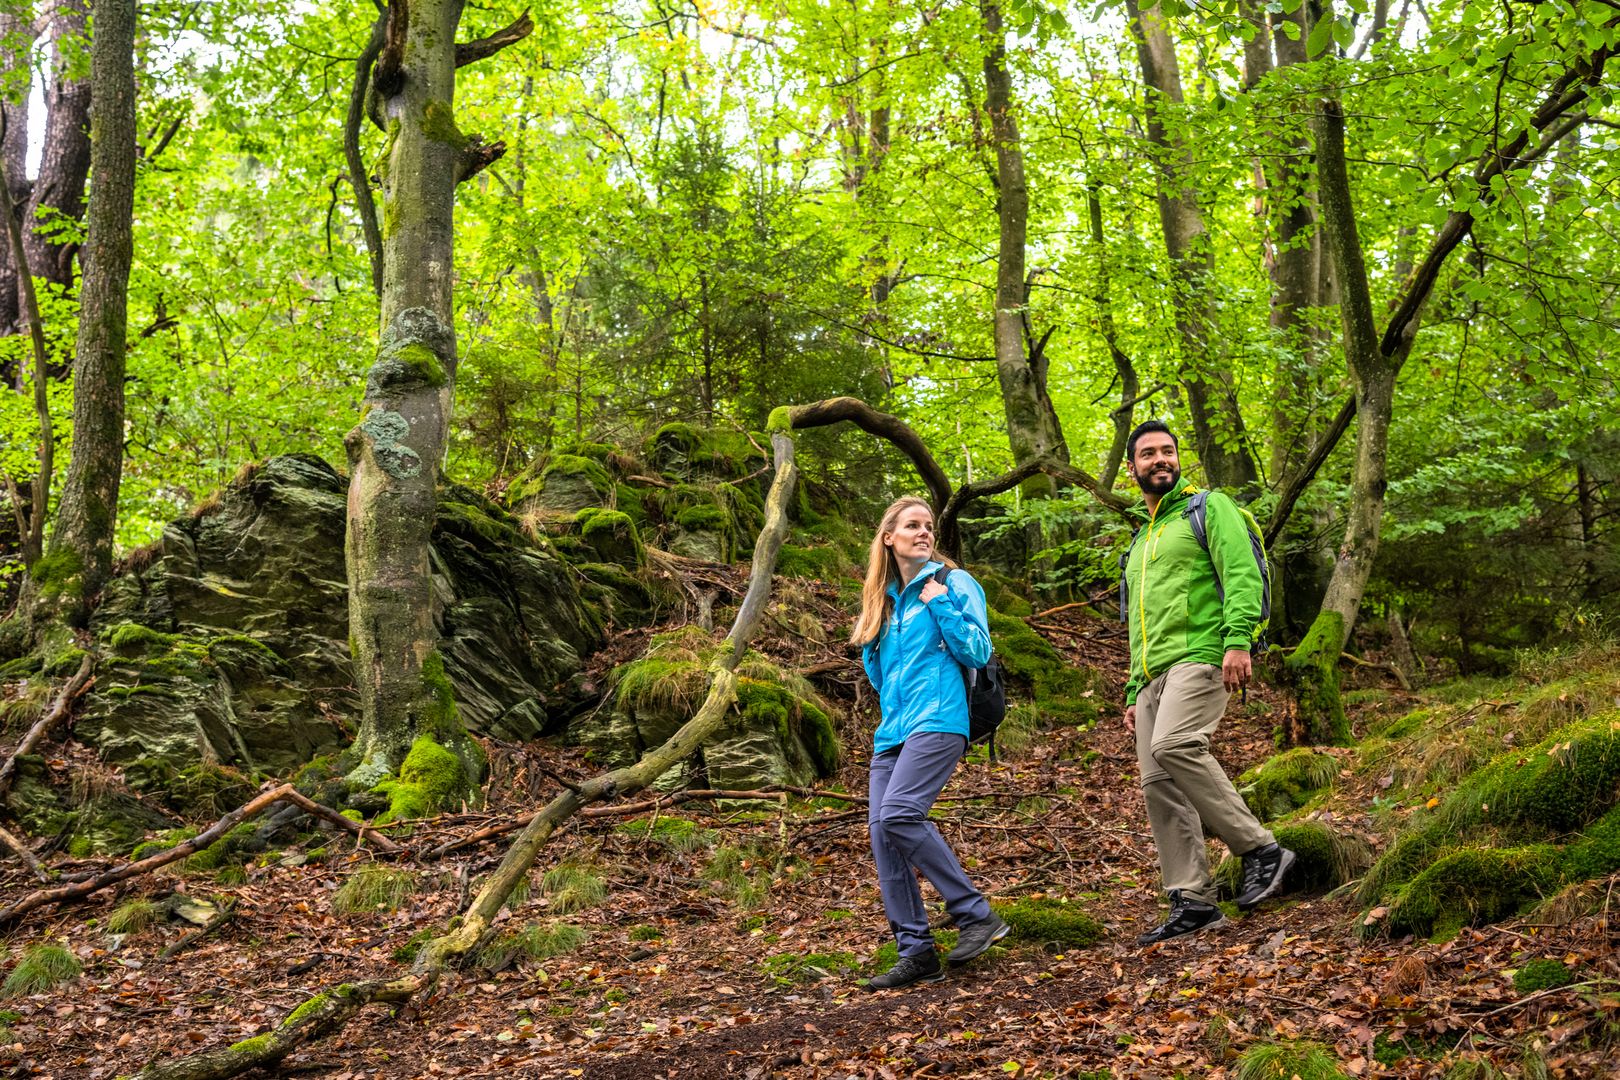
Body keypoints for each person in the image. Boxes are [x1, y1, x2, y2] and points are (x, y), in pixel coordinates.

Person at [1121, 420, 1295, 944]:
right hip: (1150, 675)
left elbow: (1242, 572)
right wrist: (1132, 691)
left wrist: (1239, 640)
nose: (1160, 459)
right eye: (1148, 453)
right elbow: (1137, 622)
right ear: (1132, 468)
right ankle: (1192, 899)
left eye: (1168, 451)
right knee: (1158, 785)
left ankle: (1260, 849)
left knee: (1175, 744)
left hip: (1201, 654)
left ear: (1179, 459)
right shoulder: (1141, 540)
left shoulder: (1209, 507)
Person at [852, 496, 1008, 989]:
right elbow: (878, 673)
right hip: (892, 731)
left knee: (900, 813)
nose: (924, 533)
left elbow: (978, 651)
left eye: (928, 526)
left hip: (940, 719)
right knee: (883, 834)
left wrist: (939, 602)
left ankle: (975, 914)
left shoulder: (953, 583)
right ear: (888, 538)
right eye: (912, 526)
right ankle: (916, 952)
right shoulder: (882, 600)